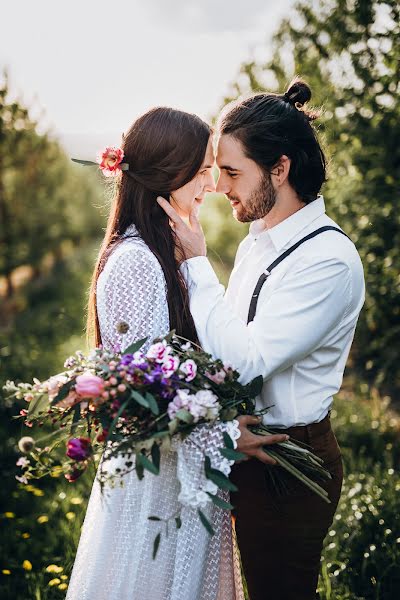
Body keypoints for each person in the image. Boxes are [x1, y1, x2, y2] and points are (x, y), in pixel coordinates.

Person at [66, 106, 286, 600]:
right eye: (202, 169)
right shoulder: (137, 261)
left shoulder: (162, 250)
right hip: (157, 486)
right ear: (170, 172)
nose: (211, 184)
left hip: (178, 475)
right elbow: (142, 401)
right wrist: (227, 434)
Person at [157, 79, 365, 600]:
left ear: (280, 168)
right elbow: (226, 328)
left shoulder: (328, 261)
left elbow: (245, 362)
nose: (221, 186)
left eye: (232, 172)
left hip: (290, 461)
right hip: (251, 448)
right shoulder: (260, 241)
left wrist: (198, 264)